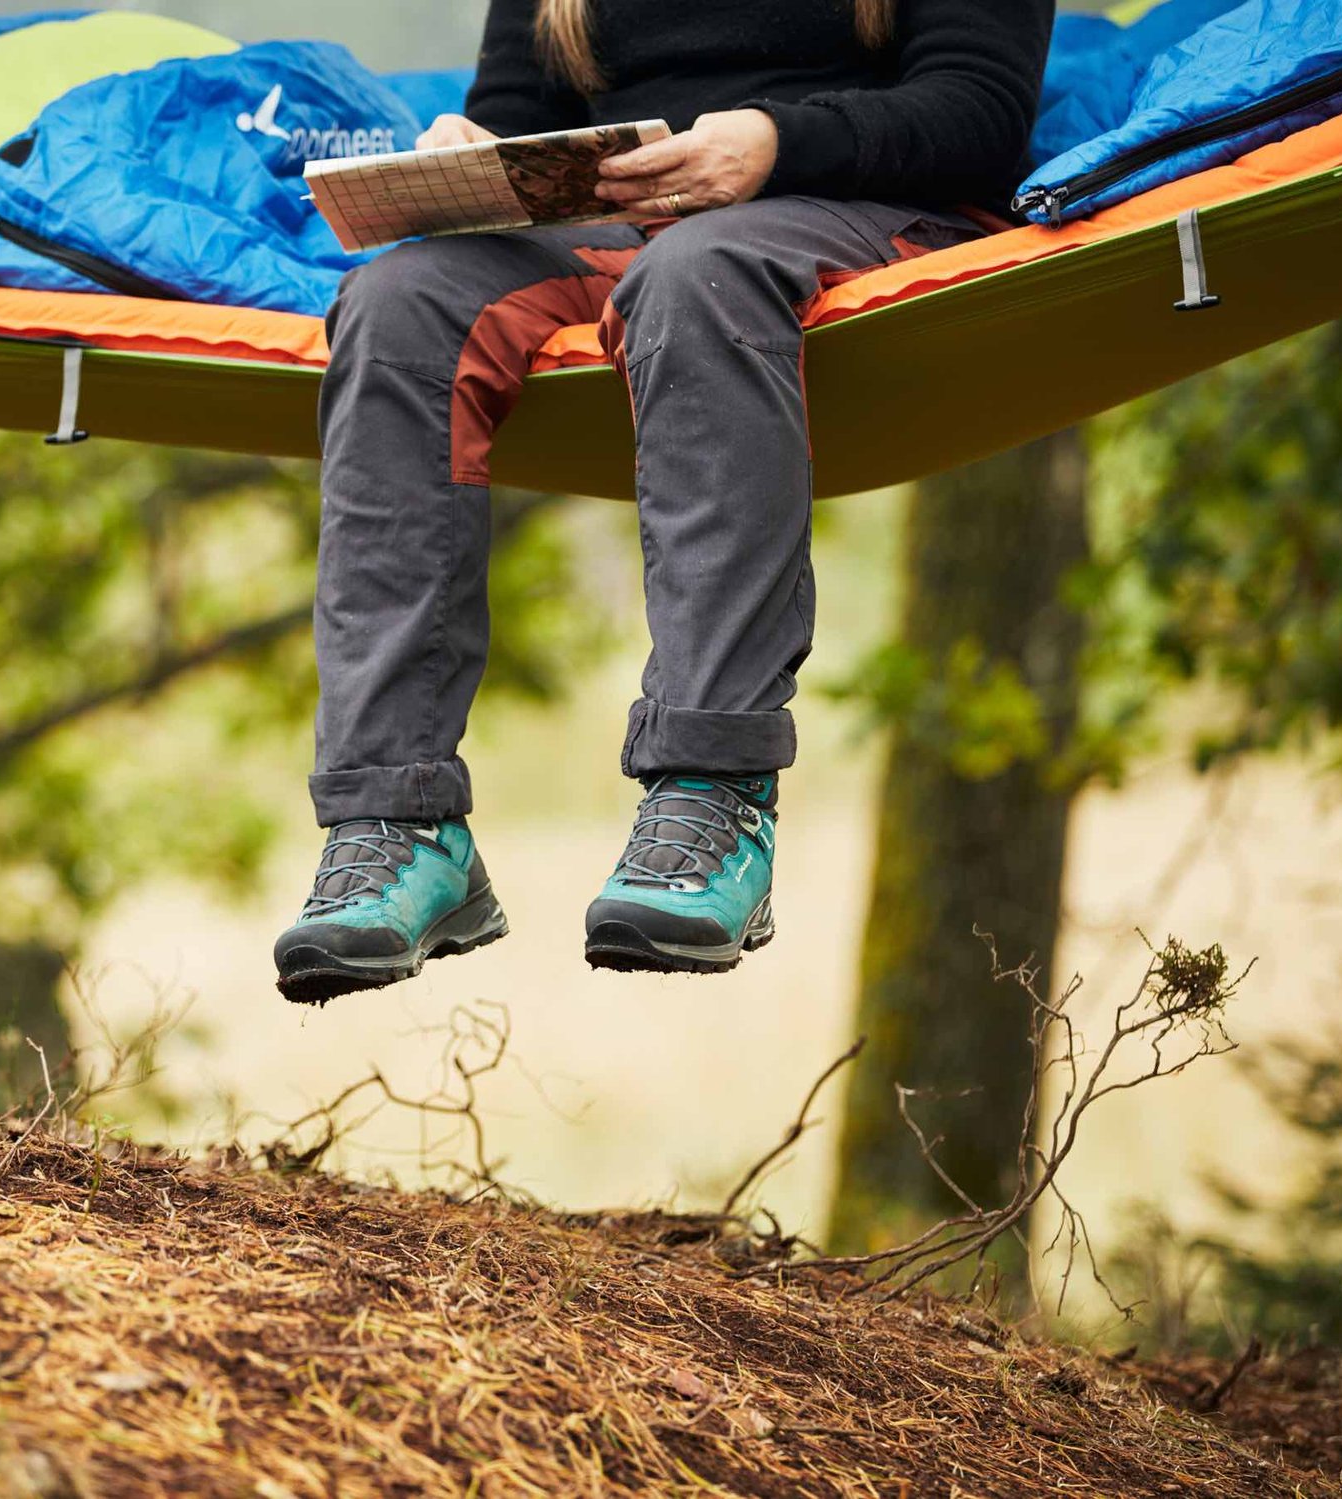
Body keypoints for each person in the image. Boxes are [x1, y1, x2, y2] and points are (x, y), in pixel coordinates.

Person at [273, 0, 1056, 1003]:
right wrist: (477, 157)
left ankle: (713, 791)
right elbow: (513, 109)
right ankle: (396, 819)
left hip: (863, 204)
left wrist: (774, 144)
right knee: (392, 304)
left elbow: (979, 117)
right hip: (615, 226)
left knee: (699, 272)